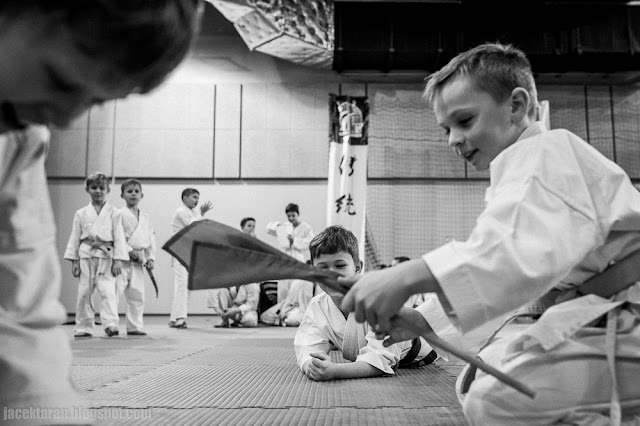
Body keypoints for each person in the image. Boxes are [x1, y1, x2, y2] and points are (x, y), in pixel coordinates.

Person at [341, 43, 640, 424]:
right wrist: (422, 322)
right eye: (446, 129)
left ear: (516, 105)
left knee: (497, 401)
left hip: (628, 315)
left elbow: (508, 259)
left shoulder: (547, 154)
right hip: (604, 311)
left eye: (465, 121)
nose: (453, 139)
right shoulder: (524, 169)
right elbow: (514, 281)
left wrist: (404, 275)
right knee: (478, 377)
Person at [0, 2, 202, 421]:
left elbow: (21, 310)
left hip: (115, 256)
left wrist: (48, 412)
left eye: (94, 99)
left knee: (113, 297)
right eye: (57, 78)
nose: (65, 116)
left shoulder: (20, 139)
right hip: (96, 254)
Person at [294, 225, 437, 381]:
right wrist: (312, 366)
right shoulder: (317, 305)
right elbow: (307, 346)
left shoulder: (377, 298)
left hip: (421, 353)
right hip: (370, 358)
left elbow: (379, 358)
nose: (331, 274)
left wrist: (335, 371)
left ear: (357, 267)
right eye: (322, 268)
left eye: (340, 265)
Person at [64, 172, 128, 338]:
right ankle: (83, 327)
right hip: (86, 255)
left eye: (101, 188)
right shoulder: (81, 213)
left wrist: (118, 260)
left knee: (108, 292)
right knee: (84, 292)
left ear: (108, 189)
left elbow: (119, 237)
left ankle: (111, 324)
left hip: (107, 257)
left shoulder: (115, 213)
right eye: (94, 187)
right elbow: (74, 237)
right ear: (87, 189)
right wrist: (74, 262)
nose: (98, 191)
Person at [116, 178, 156, 336]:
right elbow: (116, 235)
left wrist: (151, 258)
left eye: (136, 191)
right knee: (115, 292)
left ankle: (135, 327)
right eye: (129, 191)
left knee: (137, 295)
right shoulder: (118, 214)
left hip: (140, 258)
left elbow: (151, 237)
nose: (133, 194)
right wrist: (127, 250)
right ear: (122, 195)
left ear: (142, 195)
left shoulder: (145, 216)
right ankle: (111, 324)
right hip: (122, 258)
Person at [169, 187, 212, 329]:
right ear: (185, 198)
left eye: (198, 197)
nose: (197, 200)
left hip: (188, 252)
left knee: (182, 286)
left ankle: (175, 318)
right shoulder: (181, 211)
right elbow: (192, 227)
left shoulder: (192, 212)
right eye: (194, 197)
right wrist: (202, 213)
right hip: (180, 250)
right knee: (182, 285)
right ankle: (180, 318)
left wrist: (201, 214)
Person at [208, 217, 260, 328]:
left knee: (249, 321)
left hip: (245, 309)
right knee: (221, 290)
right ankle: (224, 320)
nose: (251, 228)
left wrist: (236, 310)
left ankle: (239, 319)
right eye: (249, 226)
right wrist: (216, 307)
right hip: (232, 304)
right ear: (242, 227)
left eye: (253, 226)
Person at [266, 202, 315, 302]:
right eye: (289, 216)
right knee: (283, 285)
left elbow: (311, 242)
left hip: (297, 257)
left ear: (298, 214)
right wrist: (278, 225)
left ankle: (294, 307)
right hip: (284, 257)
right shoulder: (285, 226)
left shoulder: (305, 227)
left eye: (293, 215)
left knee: (296, 284)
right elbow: (269, 228)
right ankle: (281, 309)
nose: (291, 218)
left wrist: (295, 240)